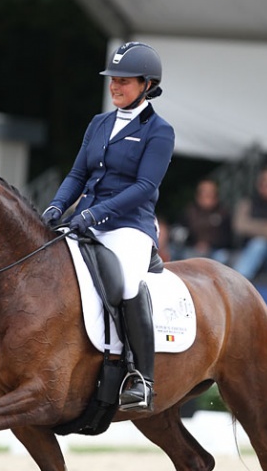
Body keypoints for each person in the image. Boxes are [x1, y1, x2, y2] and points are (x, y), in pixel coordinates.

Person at [41, 41, 175, 411]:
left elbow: (145, 187)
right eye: (113, 79)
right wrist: (56, 206)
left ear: (147, 85)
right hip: (86, 218)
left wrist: (94, 215)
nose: (115, 86)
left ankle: (141, 378)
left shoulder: (159, 131)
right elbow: (78, 173)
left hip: (130, 226)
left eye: (125, 81)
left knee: (128, 283)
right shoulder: (99, 123)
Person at [176, 178, 232, 263]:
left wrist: (209, 245)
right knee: (185, 257)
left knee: (222, 257)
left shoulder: (223, 213)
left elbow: (228, 238)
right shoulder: (189, 212)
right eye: (204, 193)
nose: (208, 196)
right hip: (193, 248)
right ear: (198, 195)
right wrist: (196, 243)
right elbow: (181, 233)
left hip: (216, 250)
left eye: (211, 193)